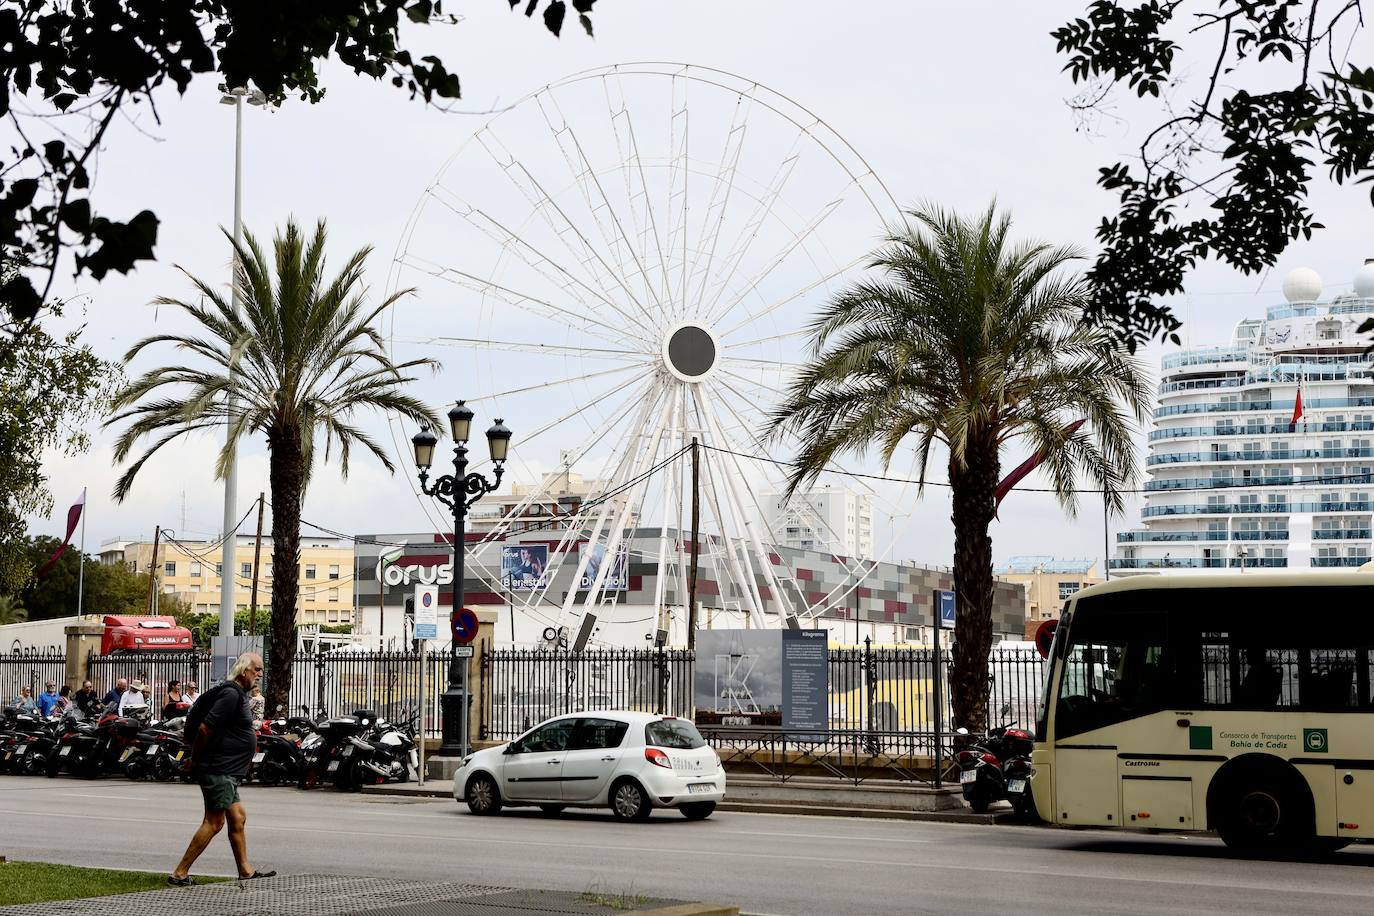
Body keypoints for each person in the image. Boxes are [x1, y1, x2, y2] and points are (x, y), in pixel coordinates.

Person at [169, 652, 275, 886]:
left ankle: (245, 870)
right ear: (244, 670)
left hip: (226, 770)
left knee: (237, 817)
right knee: (214, 822)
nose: (260, 675)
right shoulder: (230, 694)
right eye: (257, 669)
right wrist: (194, 760)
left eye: (261, 670)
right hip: (218, 769)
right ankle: (180, 873)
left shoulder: (236, 694)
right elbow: (206, 729)